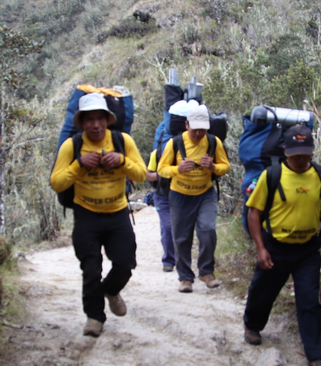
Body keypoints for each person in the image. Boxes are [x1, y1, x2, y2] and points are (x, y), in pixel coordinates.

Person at [242, 124, 321, 366]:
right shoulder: (271, 175)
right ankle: (252, 326)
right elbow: (254, 213)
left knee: (309, 300)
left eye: (305, 153)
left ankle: (317, 356)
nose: (301, 159)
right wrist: (261, 248)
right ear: (285, 150)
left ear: (312, 151)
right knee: (263, 290)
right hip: (275, 246)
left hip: (308, 250)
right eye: (295, 153)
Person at [50, 92, 148, 337]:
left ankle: (110, 290)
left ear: (108, 119)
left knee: (125, 263)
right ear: (82, 122)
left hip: (117, 214)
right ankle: (94, 317)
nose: (95, 124)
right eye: (89, 119)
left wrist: (122, 161)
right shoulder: (71, 146)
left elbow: (141, 174)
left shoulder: (122, 141)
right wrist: (79, 164)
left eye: (100, 119)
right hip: (86, 216)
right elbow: (57, 183)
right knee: (91, 268)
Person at [157, 101, 230, 293]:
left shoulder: (214, 142)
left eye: (203, 130)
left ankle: (206, 272)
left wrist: (213, 167)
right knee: (181, 238)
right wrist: (177, 169)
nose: (198, 134)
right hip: (179, 196)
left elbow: (225, 166)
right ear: (187, 125)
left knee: (207, 230)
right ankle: (185, 278)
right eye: (195, 129)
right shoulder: (175, 143)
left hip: (205, 194)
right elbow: (161, 170)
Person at [146, 150, 176, 272]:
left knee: (182, 227)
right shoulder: (157, 153)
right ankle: (169, 260)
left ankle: (183, 259)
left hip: (184, 195)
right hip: (162, 195)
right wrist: (164, 174)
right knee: (168, 226)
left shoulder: (189, 151)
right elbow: (148, 174)